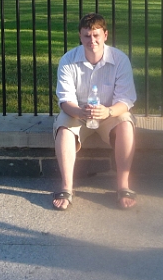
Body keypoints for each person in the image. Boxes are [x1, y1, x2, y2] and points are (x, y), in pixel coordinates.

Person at [52, 13, 137, 210]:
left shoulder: (120, 59)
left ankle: (123, 187)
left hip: (109, 113)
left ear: (105, 35)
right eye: (87, 36)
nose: (92, 41)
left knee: (126, 123)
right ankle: (66, 188)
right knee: (64, 127)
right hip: (78, 112)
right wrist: (81, 112)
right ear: (80, 37)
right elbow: (65, 101)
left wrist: (107, 112)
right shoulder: (67, 60)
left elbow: (126, 100)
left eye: (96, 35)